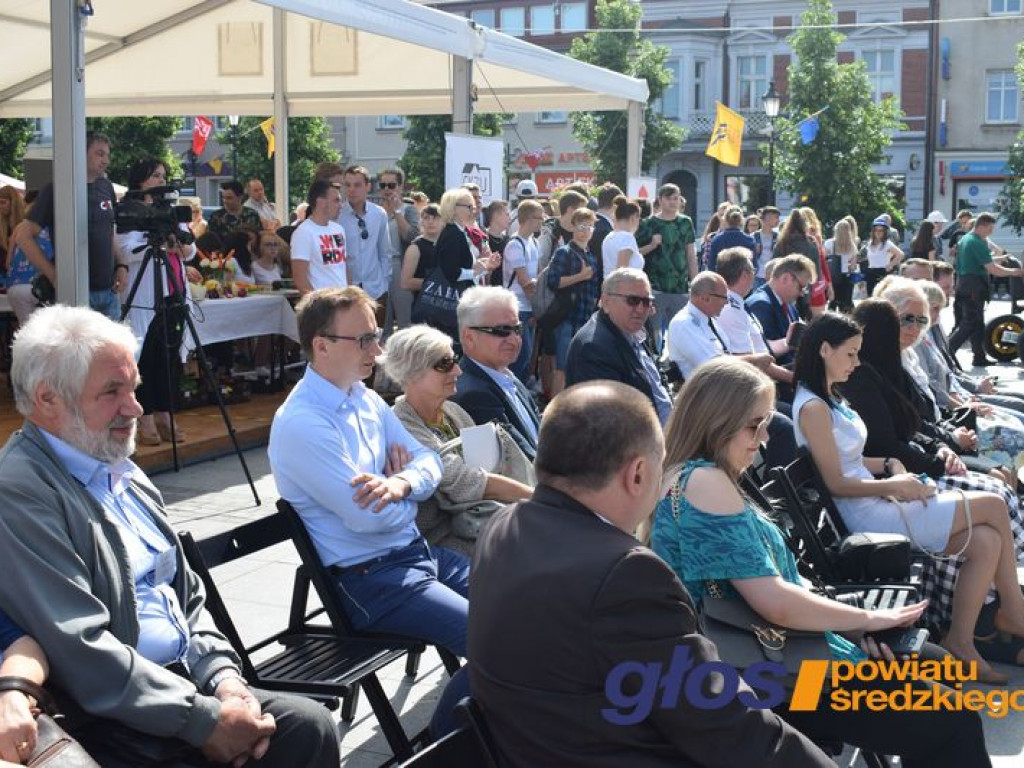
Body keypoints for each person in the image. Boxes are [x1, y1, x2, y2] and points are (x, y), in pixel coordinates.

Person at [0, 305, 339, 767]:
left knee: (308, 728)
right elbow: (81, 649)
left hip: (187, 685)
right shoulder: (21, 490)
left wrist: (225, 679)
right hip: (117, 715)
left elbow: (186, 595)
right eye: (112, 392)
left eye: (133, 388)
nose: (135, 408)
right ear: (47, 400)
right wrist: (203, 722)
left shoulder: (117, 465)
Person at [468, 380, 834, 768]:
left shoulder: (504, 524)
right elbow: (725, 723)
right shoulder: (624, 573)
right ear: (638, 473)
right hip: (610, 747)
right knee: (872, 694)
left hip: (534, 743)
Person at [648, 356, 991, 767]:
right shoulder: (705, 481)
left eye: (764, 424)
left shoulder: (688, 475)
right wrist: (865, 620)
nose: (761, 439)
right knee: (952, 716)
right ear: (715, 420)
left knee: (936, 667)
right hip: (775, 680)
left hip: (771, 654)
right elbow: (773, 601)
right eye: (751, 425)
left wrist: (849, 623)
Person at [794, 311, 1024, 683]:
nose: (856, 362)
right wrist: (893, 485)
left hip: (876, 498)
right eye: (850, 354)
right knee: (994, 504)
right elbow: (836, 482)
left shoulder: (827, 399)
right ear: (824, 350)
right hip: (867, 513)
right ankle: (1013, 610)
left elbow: (849, 461)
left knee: (986, 539)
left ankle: (960, 641)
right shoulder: (814, 407)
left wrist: (890, 463)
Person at [269, 287, 469, 656]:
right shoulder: (304, 422)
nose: (377, 350)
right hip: (372, 581)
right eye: (363, 339)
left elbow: (430, 460)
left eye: (375, 336)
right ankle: (460, 716)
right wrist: (409, 497)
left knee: (517, 607)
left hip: (414, 556)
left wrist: (402, 482)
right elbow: (369, 519)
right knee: (494, 641)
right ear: (322, 346)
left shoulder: (364, 397)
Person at [383, 325, 533, 554]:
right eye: (444, 364)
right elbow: (465, 482)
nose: (458, 371)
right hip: (444, 538)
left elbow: (487, 467)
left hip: (480, 520)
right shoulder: (402, 425)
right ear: (411, 372)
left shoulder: (454, 411)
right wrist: (539, 498)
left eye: (455, 359)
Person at [117, 158, 197, 447]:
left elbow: (190, 249)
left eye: (163, 175)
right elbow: (124, 251)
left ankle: (166, 412)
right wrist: (158, 243)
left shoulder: (170, 210)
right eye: (154, 175)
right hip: (144, 293)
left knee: (169, 355)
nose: (161, 180)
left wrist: (180, 244)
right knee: (146, 356)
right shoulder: (128, 210)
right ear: (140, 180)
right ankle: (146, 414)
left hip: (173, 288)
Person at [14, 131, 126, 320]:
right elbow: (23, 236)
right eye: (99, 154)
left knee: (111, 349)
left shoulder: (106, 187)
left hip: (109, 291)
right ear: (80, 153)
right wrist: (52, 274)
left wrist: (122, 265)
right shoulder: (57, 189)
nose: (106, 160)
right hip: (75, 293)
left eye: (107, 154)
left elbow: (109, 231)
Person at [565, 268, 673, 424]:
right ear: (607, 302)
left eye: (647, 301)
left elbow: (657, 379)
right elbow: (610, 422)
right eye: (633, 300)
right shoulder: (594, 348)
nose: (641, 309)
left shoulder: (634, 330)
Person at [452, 286, 540, 461]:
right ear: (469, 337)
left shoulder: (507, 377)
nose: (514, 339)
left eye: (517, 329)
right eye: (501, 331)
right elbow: (519, 458)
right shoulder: (473, 394)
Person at [715, 247, 795, 395]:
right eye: (753, 269)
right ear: (745, 275)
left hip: (763, 377)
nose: (754, 274)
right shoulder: (731, 309)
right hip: (752, 388)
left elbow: (761, 349)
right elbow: (751, 364)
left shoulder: (736, 303)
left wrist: (788, 342)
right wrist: (795, 378)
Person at [948, 212, 1024, 367]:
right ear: (981, 226)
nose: (991, 232)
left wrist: (999, 259)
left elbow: (981, 260)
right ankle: (947, 353)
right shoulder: (976, 242)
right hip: (973, 287)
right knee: (969, 323)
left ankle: (979, 357)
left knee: (978, 324)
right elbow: (992, 269)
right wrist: (1015, 272)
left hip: (965, 284)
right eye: (989, 229)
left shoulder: (966, 239)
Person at [635, 183, 697, 353]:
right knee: (654, 334)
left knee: (680, 332)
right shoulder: (648, 224)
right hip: (655, 287)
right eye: (669, 198)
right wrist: (652, 245)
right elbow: (635, 253)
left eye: (676, 198)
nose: (672, 202)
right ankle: (656, 365)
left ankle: (676, 369)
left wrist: (695, 282)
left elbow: (691, 254)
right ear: (660, 200)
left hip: (680, 287)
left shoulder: (685, 222)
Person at [546, 207, 601, 396]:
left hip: (585, 319)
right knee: (561, 368)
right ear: (573, 227)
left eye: (590, 226)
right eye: (582, 226)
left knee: (579, 367)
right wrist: (580, 276)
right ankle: (553, 411)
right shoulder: (564, 252)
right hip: (566, 318)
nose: (586, 230)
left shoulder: (592, 256)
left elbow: (594, 290)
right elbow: (553, 281)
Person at [339, 165, 392, 328]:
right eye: (347, 185)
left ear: (367, 186)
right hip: (347, 288)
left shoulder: (379, 214)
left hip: (375, 288)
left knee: (375, 335)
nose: (351, 190)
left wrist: (384, 283)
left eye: (357, 185)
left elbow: (385, 252)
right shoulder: (337, 215)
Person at [745, 254, 816, 367]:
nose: (802, 293)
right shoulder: (761, 305)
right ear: (785, 278)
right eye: (802, 287)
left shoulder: (788, 304)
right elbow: (764, 355)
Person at [501, 198, 542, 383]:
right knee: (520, 354)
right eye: (538, 218)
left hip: (529, 306)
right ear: (527, 218)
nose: (542, 221)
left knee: (528, 353)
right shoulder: (514, 244)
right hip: (516, 307)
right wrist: (538, 308)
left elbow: (538, 276)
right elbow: (525, 282)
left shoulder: (534, 242)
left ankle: (522, 390)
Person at [434, 187, 498, 302]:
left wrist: (486, 265)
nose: (473, 209)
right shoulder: (452, 234)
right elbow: (451, 273)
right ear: (453, 209)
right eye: (469, 206)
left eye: (473, 206)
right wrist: (475, 271)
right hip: (455, 300)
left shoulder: (460, 232)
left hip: (464, 296)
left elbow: (465, 267)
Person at [289, 179, 349, 295]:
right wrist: (316, 307)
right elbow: (299, 277)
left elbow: (344, 267)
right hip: (322, 305)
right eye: (336, 200)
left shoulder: (339, 229)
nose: (340, 205)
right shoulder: (303, 233)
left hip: (342, 302)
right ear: (321, 202)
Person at [379, 168, 420, 335]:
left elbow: (412, 237)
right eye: (383, 185)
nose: (387, 190)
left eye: (391, 185)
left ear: (401, 187)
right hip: (380, 267)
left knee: (405, 321)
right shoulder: (375, 211)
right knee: (382, 321)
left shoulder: (408, 210)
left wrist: (397, 211)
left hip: (400, 265)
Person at [399, 203, 441, 300]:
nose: (431, 221)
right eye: (426, 218)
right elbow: (405, 283)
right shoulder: (415, 248)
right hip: (424, 305)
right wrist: (438, 284)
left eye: (435, 217)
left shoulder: (447, 244)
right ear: (421, 222)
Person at [207, 180, 261, 246]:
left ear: (240, 197)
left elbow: (259, 237)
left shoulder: (252, 215)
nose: (225, 201)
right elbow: (211, 241)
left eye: (229, 198)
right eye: (223, 198)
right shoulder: (216, 217)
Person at [600, 196, 643, 278]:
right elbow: (622, 271)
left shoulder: (609, 237)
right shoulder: (627, 238)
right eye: (639, 218)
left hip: (609, 285)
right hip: (624, 288)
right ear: (633, 217)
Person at [704, 205, 755, 273]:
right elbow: (754, 265)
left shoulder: (716, 239)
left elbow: (711, 265)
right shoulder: (749, 240)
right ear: (742, 220)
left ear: (725, 220)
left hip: (722, 279)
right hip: (743, 279)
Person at [823, 218, 860, 313]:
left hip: (833, 277)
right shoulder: (852, 246)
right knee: (845, 307)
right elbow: (853, 266)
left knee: (832, 304)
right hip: (846, 279)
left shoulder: (829, 243)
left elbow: (823, 258)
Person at [862, 216, 904, 296]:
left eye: (881, 231)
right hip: (870, 272)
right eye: (876, 230)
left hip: (882, 272)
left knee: (881, 295)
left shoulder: (887, 244)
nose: (878, 233)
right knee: (870, 295)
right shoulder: (869, 243)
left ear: (885, 232)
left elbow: (900, 254)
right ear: (873, 231)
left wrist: (890, 264)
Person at [0, 185, 25, 275]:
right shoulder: (2, 225)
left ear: (13, 202)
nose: (0, 207)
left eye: (3, 203)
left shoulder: (25, 221)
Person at [752, 206, 780, 285]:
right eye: (776, 217)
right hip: (758, 276)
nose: (778, 220)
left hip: (773, 275)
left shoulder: (778, 236)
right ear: (768, 218)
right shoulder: (753, 236)